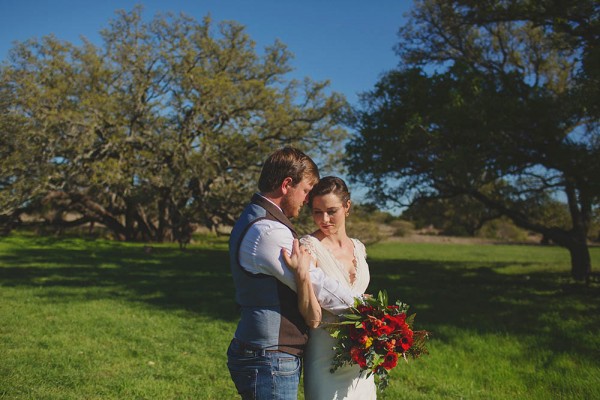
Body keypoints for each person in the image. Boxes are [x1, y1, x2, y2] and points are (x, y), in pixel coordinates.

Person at [226, 148, 356, 400]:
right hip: (269, 355)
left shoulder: (258, 219)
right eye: (306, 190)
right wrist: (366, 310)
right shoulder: (268, 231)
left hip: (266, 353)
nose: (307, 200)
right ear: (287, 184)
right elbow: (318, 285)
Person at [300, 176, 377, 399]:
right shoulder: (308, 247)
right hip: (325, 354)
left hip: (361, 354)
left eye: (331, 211)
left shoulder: (359, 247)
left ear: (347, 207)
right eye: (317, 212)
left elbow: (361, 294)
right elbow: (316, 293)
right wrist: (362, 305)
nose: (324, 219)